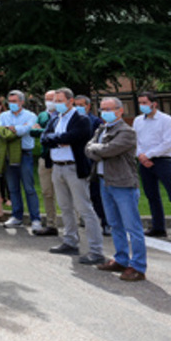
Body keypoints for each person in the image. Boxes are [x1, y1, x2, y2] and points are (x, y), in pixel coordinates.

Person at [85, 97, 146, 281]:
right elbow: (88, 149)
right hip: (105, 181)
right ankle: (120, 259)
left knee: (132, 226)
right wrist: (97, 148)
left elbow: (109, 150)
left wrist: (96, 148)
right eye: (102, 109)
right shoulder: (101, 129)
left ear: (120, 111)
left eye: (109, 109)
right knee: (114, 224)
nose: (105, 112)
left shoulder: (127, 132)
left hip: (123, 183)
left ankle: (138, 265)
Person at [41, 88, 104, 265]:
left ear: (70, 101)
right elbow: (44, 138)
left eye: (60, 100)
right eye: (55, 100)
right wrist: (59, 139)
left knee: (84, 208)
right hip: (57, 167)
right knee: (65, 207)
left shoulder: (81, 119)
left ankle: (96, 250)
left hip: (74, 167)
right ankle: (70, 241)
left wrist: (58, 139)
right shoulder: (55, 119)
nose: (56, 103)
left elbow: (76, 137)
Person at [134, 91, 171, 245]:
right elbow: (136, 141)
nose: (143, 106)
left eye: (145, 102)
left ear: (154, 103)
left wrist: (149, 155)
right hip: (144, 161)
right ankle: (158, 227)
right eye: (140, 103)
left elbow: (168, 142)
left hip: (163, 161)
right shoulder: (138, 121)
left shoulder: (166, 120)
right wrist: (141, 156)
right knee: (152, 196)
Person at [0, 90, 45, 234]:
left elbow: (26, 129)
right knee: (13, 188)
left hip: (25, 154)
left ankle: (35, 219)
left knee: (29, 188)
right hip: (8, 155)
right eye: (10, 101)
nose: (12, 104)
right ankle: (16, 216)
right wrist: (17, 129)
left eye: (15, 101)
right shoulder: (3, 115)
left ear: (22, 102)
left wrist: (12, 129)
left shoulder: (31, 116)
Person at [76, 94, 110, 237]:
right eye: (76, 105)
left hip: (92, 161)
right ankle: (88, 220)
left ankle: (105, 223)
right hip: (78, 161)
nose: (78, 108)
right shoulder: (73, 121)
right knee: (82, 194)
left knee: (97, 195)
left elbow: (98, 143)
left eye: (81, 105)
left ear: (88, 106)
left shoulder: (96, 122)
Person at [31, 90, 60, 235]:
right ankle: (51, 224)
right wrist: (47, 133)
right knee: (47, 192)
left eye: (52, 99)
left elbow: (59, 134)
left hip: (60, 158)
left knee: (65, 193)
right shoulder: (42, 115)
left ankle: (73, 226)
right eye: (47, 99)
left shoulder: (62, 115)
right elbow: (33, 132)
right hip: (44, 157)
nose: (49, 101)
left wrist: (42, 131)